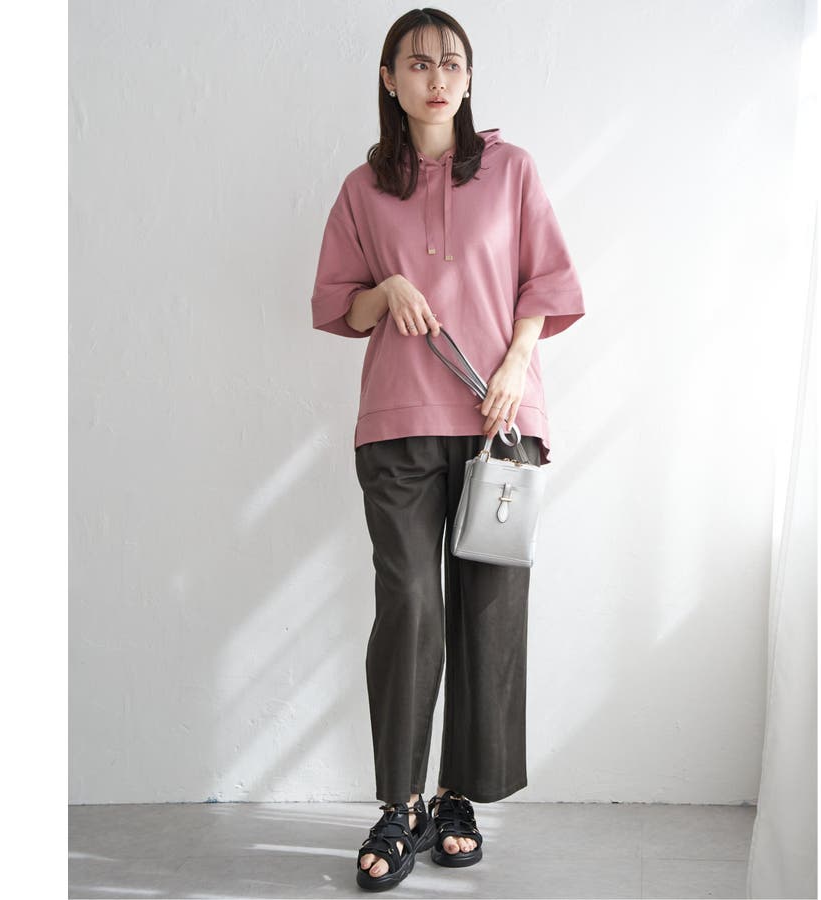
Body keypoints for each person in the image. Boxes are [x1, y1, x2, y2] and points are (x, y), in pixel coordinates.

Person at [309, 7, 585, 891]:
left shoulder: (512, 170)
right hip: (397, 423)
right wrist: (387, 287)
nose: (438, 77)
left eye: (452, 63)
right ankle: (400, 805)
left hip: (500, 424)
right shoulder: (363, 189)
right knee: (411, 608)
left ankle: (457, 796)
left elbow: (547, 281)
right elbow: (337, 306)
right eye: (419, 62)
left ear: (469, 78)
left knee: (488, 612)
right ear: (389, 78)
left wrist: (517, 362)